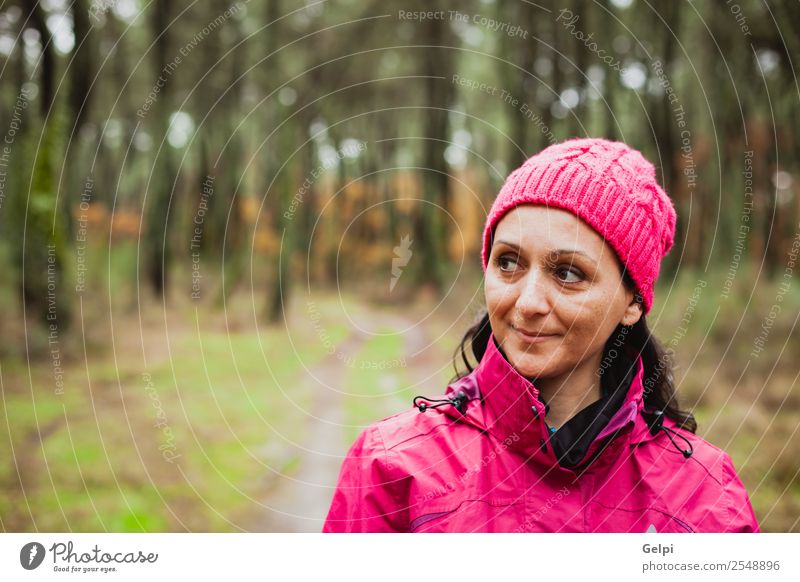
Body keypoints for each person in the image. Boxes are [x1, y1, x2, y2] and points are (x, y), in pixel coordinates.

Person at [323, 138, 760, 533]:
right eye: (509, 263)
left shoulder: (703, 500)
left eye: (567, 273)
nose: (528, 302)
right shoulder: (391, 467)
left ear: (632, 302)